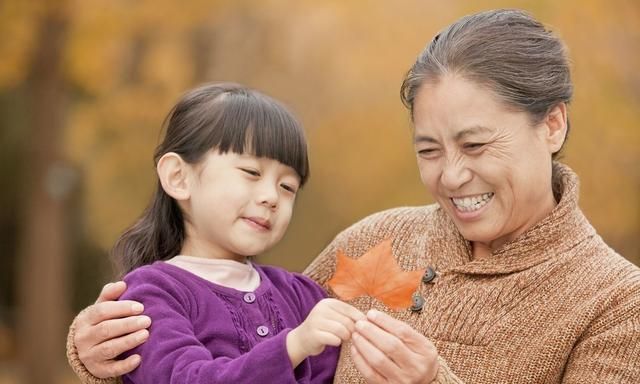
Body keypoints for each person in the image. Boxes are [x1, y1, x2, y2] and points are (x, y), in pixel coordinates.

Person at [67, 9, 640, 383]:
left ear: (553, 125)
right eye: (429, 151)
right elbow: (236, 339)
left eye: (475, 143)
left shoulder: (615, 302)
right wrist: (99, 352)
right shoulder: (376, 239)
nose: (453, 176)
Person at [68, 82, 368, 383]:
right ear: (178, 177)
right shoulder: (150, 295)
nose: (272, 197)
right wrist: (293, 346)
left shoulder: (300, 295)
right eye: (251, 172)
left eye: (287, 187)